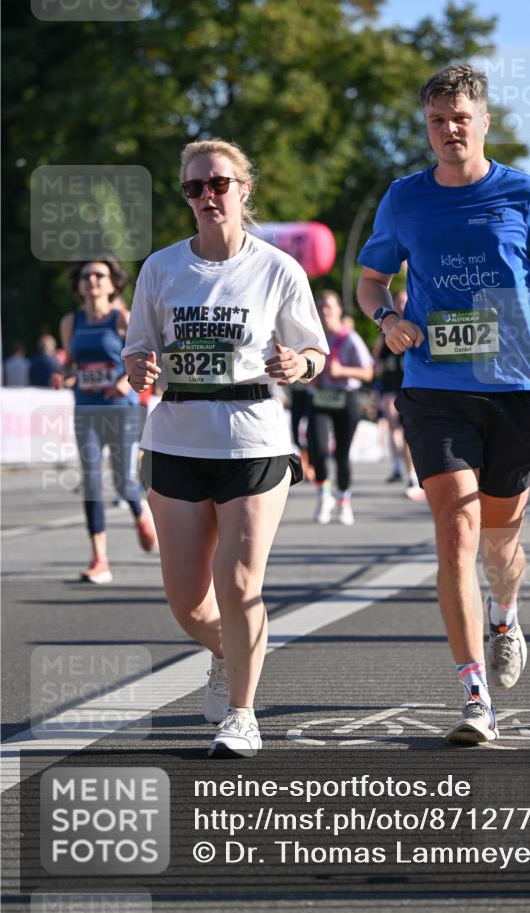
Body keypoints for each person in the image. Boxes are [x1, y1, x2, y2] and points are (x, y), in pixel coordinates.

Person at [357, 64, 530, 745]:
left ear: (482, 122)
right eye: (436, 120)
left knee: (498, 541)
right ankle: (472, 689)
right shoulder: (403, 199)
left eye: (460, 117)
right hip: (435, 389)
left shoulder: (523, 193)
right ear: (424, 128)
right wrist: (387, 317)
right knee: (454, 532)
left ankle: (505, 614)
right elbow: (370, 281)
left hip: (514, 391)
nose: (449, 129)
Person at [123, 138, 327, 758]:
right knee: (188, 603)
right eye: (195, 188)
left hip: (253, 435)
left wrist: (300, 362)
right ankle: (225, 652)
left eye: (219, 184)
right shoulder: (161, 268)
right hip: (177, 437)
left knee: (239, 584)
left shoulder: (277, 268)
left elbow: (316, 352)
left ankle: (241, 713)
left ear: (244, 190)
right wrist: (139, 369)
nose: (207, 196)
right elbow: (137, 349)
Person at [55, 260, 157, 583]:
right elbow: (72, 365)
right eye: (86, 275)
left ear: (113, 284)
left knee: (124, 482)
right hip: (86, 410)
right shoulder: (71, 322)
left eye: (100, 275)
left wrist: (125, 382)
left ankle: (141, 512)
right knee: (91, 482)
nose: (92, 280)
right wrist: (66, 377)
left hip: (122, 411)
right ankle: (99, 559)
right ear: (79, 284)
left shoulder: (122, 319)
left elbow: (144, 358)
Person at [307, 290, 374, 526]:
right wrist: (309, 376)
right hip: (321, 398)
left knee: (341, 454)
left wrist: (343, 371)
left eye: (329, 306)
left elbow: (368, 372)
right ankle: (324, 495)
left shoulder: (350, 338)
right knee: (318, 449)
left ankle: (344, 500)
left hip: (347, 399)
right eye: (321, 307)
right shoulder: (314, 338)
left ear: (338, 310)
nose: (325, 311)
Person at [372, 288, 423, 499]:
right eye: (399, 302)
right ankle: (398, 465)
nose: (402, 306)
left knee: (410, 433)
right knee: (395, 429)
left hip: (412, 388)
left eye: (405, 301)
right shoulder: (386, 335)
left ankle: (412, 473)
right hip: (391, 389)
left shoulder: (420, 327)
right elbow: (375, 364)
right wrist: (377, 381)